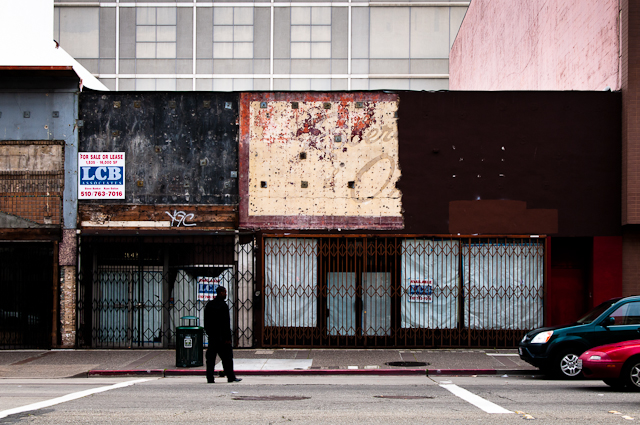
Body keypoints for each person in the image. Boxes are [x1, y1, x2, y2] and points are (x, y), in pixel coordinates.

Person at [203, 286, 242, 383]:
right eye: (225, 292)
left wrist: (209, 333)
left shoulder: (209, 305)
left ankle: (210, 377)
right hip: (222, 338)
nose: (226, 294)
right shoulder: (223, 306)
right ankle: (230, 376)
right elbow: (226, 323)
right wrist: (228, 338)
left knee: (211, 358)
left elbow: (206, 322)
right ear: (221, 293)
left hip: (213, 337)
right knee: (227, 358)